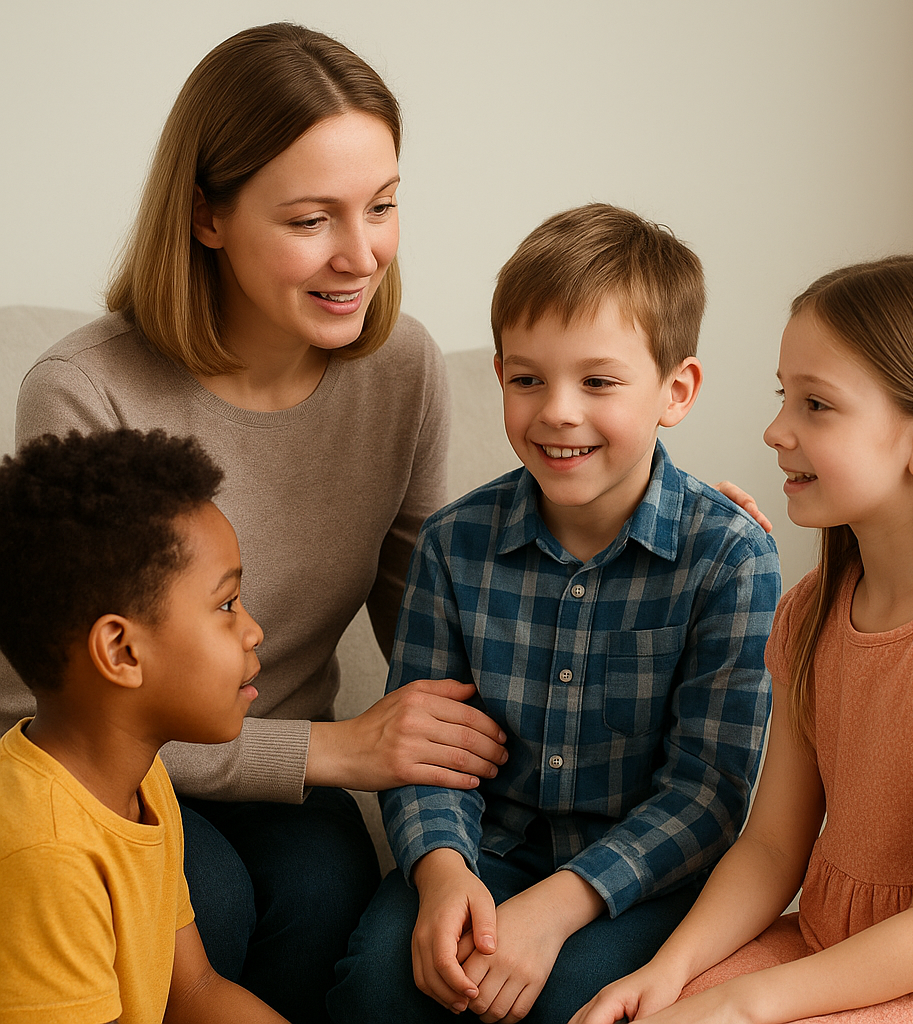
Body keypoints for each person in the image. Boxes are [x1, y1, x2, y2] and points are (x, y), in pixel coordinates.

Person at [0, 23, 509, 1023]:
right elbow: (59, 705)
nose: (360, 254)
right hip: (118, 759)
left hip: (281, 768)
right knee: (215, 900)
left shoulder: (401, 368)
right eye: (312, 219)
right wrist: (336, 751)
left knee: (325, 885)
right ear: (207, 215)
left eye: (382, 206)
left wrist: (639, 518)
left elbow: (434, 614)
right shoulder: (83, 389)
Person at [331, 204, 782, 1023]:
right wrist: (441, 873)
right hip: (482, 853)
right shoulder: (452, 544)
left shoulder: (730, 558)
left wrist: (556, 908)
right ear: (500, 374)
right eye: (528, 379)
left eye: (598, 382)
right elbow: (426, 750)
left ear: (675, 390)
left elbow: (707, 795)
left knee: (567, 1009)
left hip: (641, 880)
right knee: (378, 986)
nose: (558, 411)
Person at [570, 254, 913, 1024]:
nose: (777, 430)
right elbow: (773, 848)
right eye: (785, 397)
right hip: (827, 942)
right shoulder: (811, 610)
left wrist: (741, 1006)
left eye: (816, 404)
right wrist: (666, 973)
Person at [0, 428, 289, 1023]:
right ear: (122, 652)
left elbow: (194, 991)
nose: (253, 630)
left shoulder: (138, 778)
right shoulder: (46, 854)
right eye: (227, 605)